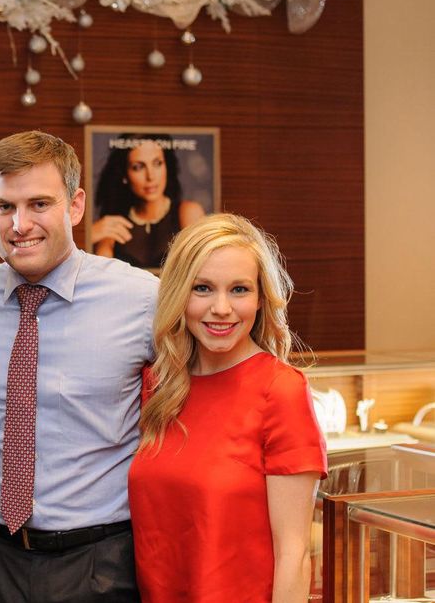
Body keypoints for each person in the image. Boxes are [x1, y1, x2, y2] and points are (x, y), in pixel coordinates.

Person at [0, 130, 158, 602]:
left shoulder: (141, 299)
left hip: (100, 561)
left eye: (39, 203)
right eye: (4, 207)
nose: (20, 223)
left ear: (76, 205)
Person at [128, 213, 326, 602]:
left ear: (260, 298)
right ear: (179, 295)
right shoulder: (158, 384)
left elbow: (294, 554)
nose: (221, 308)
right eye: (202, 288)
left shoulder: (280, 390)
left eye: (239, 289)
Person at [91, 133, 205, 268]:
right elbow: (102, 279)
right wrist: (90, 233)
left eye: (157, 163)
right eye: (138, 167)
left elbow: (201, 271)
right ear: (125, 175)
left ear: (166, 167)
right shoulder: (112, 227)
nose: (150, 176)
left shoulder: (188, 212)